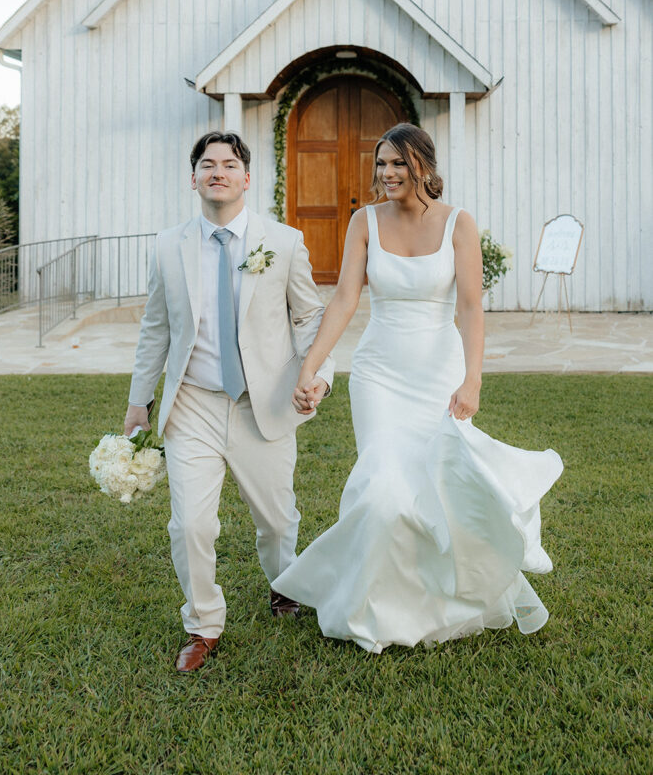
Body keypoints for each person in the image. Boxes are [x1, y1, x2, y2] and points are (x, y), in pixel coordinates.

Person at [274, 122, 563, 653]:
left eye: (398, 164)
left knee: (436, 489)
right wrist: (311, 367)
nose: (386, 174)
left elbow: (471, 307)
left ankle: (435, 603)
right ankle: (369, 608)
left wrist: (473, 379)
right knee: (383, 487)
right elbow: (343, 300)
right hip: (380, 374)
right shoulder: (364, 222)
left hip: (439, 374)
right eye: (381, 164)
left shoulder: (459, 224)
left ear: (423, 167)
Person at [125, 131, 334, 672]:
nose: (218, 171)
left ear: (246, 178)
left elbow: (310, 316)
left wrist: (317, 375)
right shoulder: (169, 244)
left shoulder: (283, 242)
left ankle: (285, 585)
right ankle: (202, 624)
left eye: (229, 163)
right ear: (193, 177)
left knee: (277, 520)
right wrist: (139, 401)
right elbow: (155, 327)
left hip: (261, 403)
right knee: (190, 525)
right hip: (191, 403)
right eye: (207, 164)